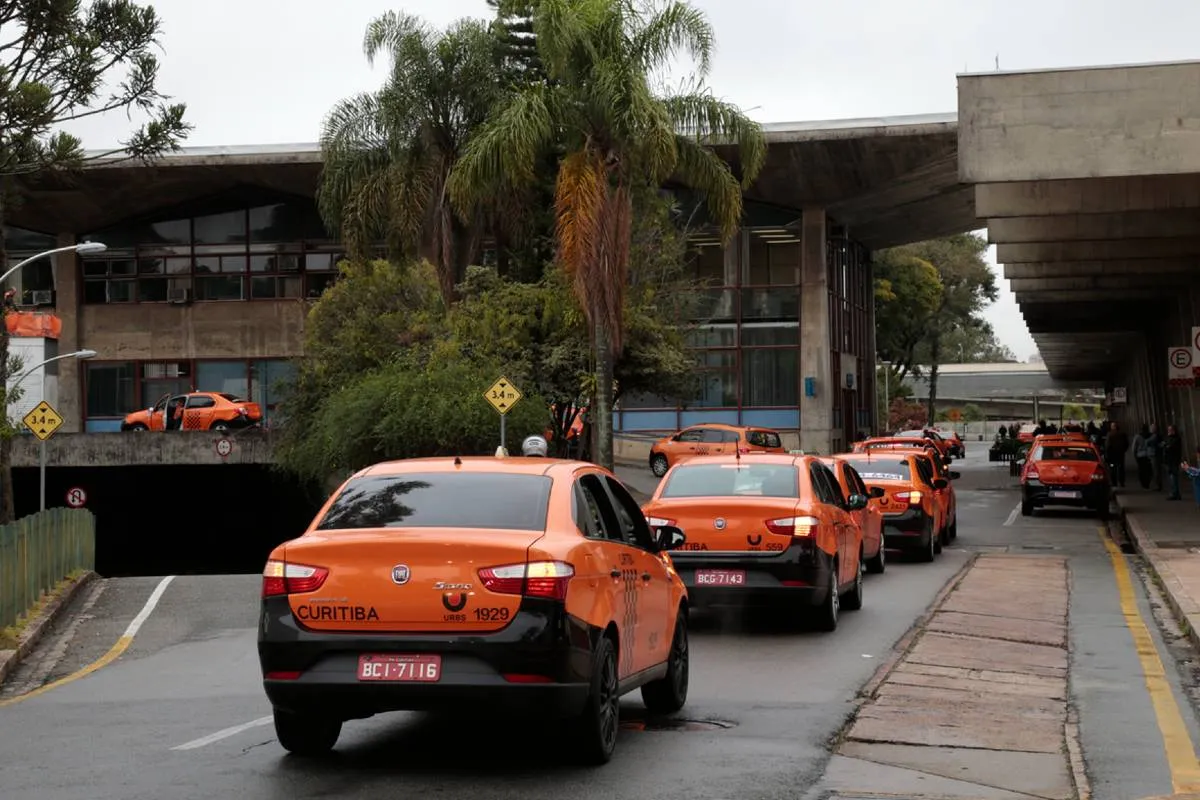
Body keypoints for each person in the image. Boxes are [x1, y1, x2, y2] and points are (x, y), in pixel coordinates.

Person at [1105, 421, 1129, 488]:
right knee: (1121, 468)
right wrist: (1123, 450)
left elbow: (1107, 446)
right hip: (1121, 454)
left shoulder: (1109, 434)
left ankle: (1114, 482)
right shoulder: (1123, 434)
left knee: (1112, 468)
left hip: (1112, 456)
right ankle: (1122, 482)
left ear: (1112, 427)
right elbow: (1126, 444)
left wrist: (1107, 455)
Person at [1164, 425, 1184, 500]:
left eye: (1170, 430)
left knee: (1173, 478)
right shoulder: (1169, 438)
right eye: (1168, 430)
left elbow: (1170, 447)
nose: (1169, 431)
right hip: (1169, 461)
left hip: (1174, 461)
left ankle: (1175, 493)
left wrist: (1166, 446)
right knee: (1171, 477)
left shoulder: (1176, 439)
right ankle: (1174, 493)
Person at [1133, 424, 1152, 489]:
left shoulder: (1137, 437)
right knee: (1149, 470)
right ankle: (1148, 482)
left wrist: (1135, 455)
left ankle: (1143, 483)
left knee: (1141, 470)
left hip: (1140, 455)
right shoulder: (1151, 436)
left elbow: (1134, 448)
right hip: (1149, 454)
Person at [1147, 423, 1164, 492]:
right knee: (1156, 470)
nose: (1150, 429)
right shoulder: (1154, 436)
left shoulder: (1155, 436)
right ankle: (1158, 485)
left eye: (1152, 428)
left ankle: (1158, 485)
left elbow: (1147, 443)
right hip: (1154, 454)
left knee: (1156, 471)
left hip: (1155, 455)